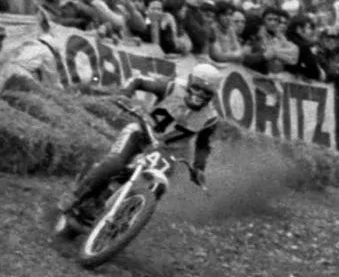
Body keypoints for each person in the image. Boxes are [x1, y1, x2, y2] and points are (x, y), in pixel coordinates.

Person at [56, 64, 219, 220]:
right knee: (115, 163)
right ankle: (75, 195)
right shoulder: (171, 87)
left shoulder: (210, 118)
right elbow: (138, 80)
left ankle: (126, 220)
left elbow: (203, 145)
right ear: (189, 82)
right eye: (197, 88)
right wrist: (125, 93)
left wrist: (199, 167)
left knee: (158, 187)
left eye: (207, 93)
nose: (200, 95)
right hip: (141, 133)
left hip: (166, 153)